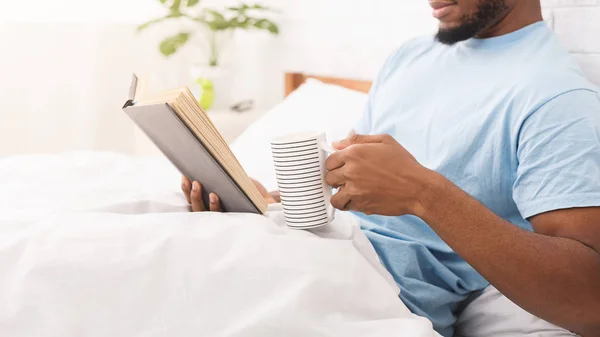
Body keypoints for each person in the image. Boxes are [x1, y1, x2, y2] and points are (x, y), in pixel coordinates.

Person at [182, 0, 600, 336]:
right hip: (310, 248)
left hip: (368, 292)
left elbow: (588, 300)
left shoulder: (558, 97)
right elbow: (355, 185)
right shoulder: (412, 55)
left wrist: (424, 194)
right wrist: (266, 203)